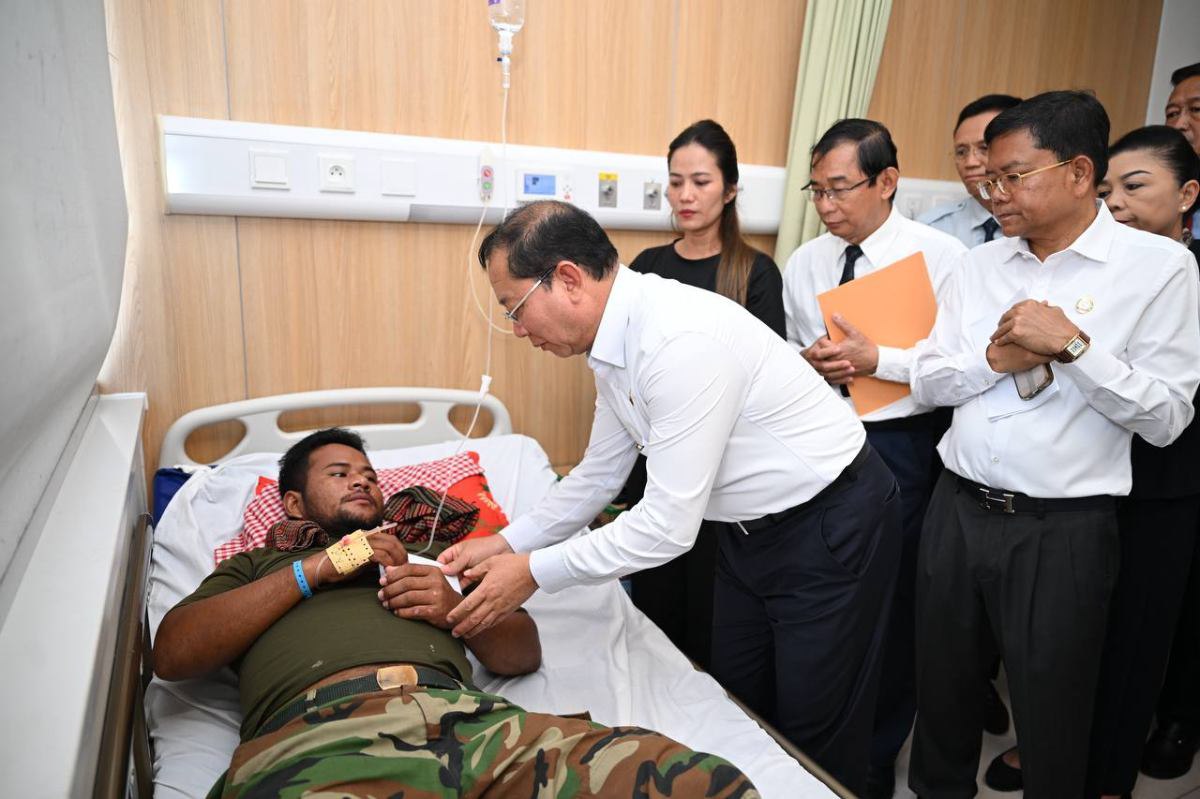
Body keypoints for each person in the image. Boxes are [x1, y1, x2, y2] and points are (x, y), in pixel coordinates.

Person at [438, 199, 902, 795]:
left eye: (515, 308)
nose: (518, 330)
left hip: (830, 522)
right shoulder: (613, 345)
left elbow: (665, 526)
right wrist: (506, 543)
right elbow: (598, 475)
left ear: (569, 279)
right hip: (746, 532)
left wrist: (533, 572)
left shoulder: (678, 341)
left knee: (817, 725)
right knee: (738, 699)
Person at [152, 427, 757, 798]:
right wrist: (313, 572)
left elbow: (523, 654)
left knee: (701, 783)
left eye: (369, 476)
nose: (362, 483)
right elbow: (173, 654)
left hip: (468, 729)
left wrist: (453, 609)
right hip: (319, 740)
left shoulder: (432, 555)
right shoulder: (257, 568)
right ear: (292, 503)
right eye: (340, 474)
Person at [908, 91, 1200, 799]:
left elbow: (1167, 417)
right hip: (956, 511)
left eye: (1012, 176)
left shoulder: (1159, 269)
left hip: (1063, 530)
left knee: (1054, 719)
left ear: (1078, 172)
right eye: (988, 177)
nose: (993, 192)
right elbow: (927, 379)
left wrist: (1072, 347)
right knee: (942, 700)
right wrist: (994, 359)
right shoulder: (980, 265)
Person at [780, 117, 965, 799]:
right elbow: (794, 352)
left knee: (893, 604)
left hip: (903, 446)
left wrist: (878, 358)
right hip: (825, 442)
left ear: (887, 181)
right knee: (828, 600)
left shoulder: (941, 258)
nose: (826, 206)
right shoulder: (806, 262)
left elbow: (961, 367)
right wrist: (809, 362)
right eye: (816, 191)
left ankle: (877, 754)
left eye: (839, 189)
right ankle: (819, 741)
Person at [619, 118, 785, 670]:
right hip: (656, 470)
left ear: (730, 190)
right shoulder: (647, 270)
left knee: (713, 633)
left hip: (726, 484)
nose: (685, 195)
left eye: (701, 182)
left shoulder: (754, 273)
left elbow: (761, 389)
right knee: (655, 623)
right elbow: (625, 372)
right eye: (675, 182)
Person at [1099, 126, 1200, 788]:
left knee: (1136, 637)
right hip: (1090, 474)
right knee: (1082, 634)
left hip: (1167, 481)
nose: (1117, 203)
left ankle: (1109, 772)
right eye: (1107, 190)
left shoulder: (1190, 273)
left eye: (1135, 187)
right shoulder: (1102, 269)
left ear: (1187, 194)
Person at [920, 94, 1023, 248]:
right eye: (961, 152)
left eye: (984, 148)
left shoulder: (1045, 232)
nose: (970, 163)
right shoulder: (932, 229)